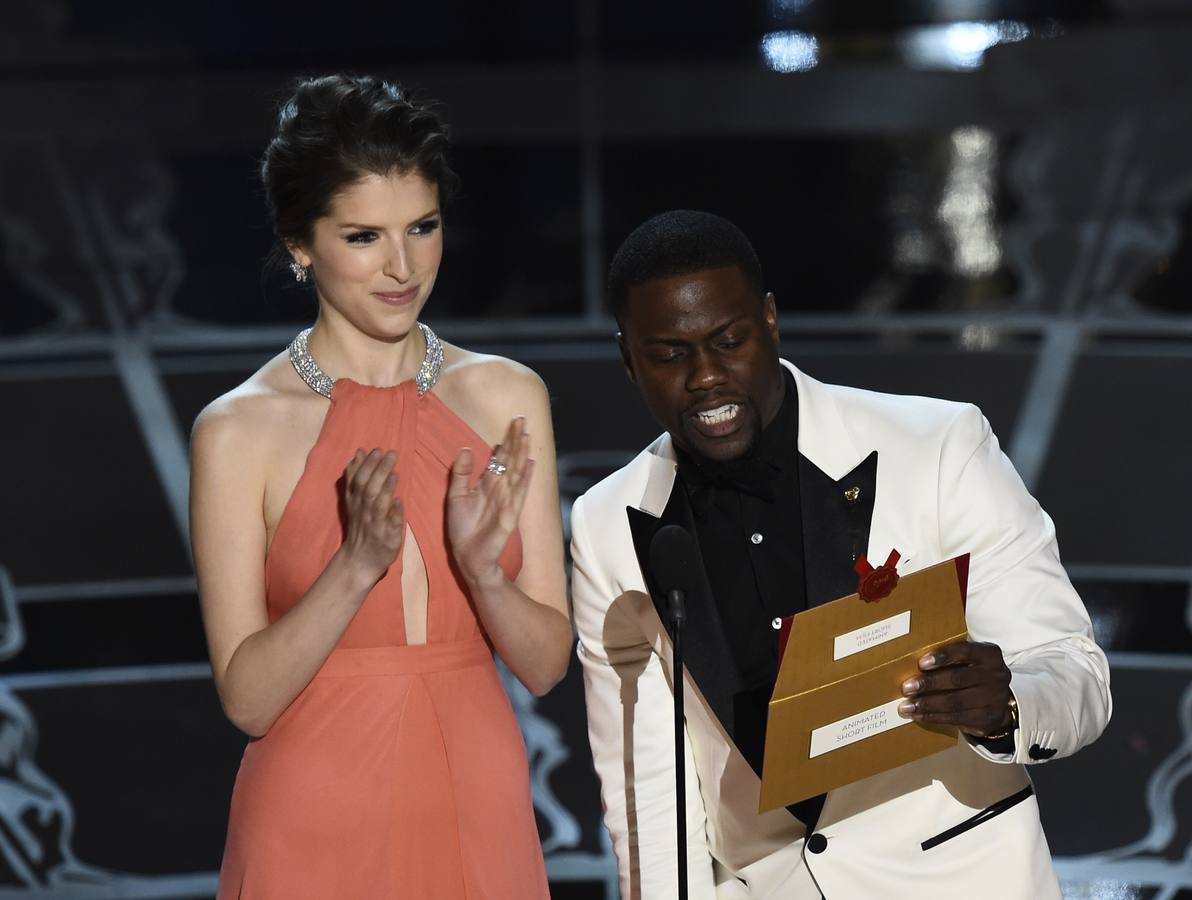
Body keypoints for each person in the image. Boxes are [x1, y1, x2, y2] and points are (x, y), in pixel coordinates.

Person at [570, 209, 1111, 899]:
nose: (705, 377)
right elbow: (648, 790)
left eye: (728, 340)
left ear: (769, 319)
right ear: (627, 359)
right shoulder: (608, 525)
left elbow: (1076, 672)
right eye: (669, 354)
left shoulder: (938, 445)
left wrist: (1003, 707)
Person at [189, 74, 570, 898]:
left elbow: (544, 665)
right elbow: (248, 701)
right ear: (301, 242)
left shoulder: (508, 397)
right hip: (312, 818)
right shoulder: (238, 429)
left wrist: (480, 571)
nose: (403, 267)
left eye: (423, 228)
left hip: (478, 801)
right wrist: (356, 564)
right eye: (364, 237)